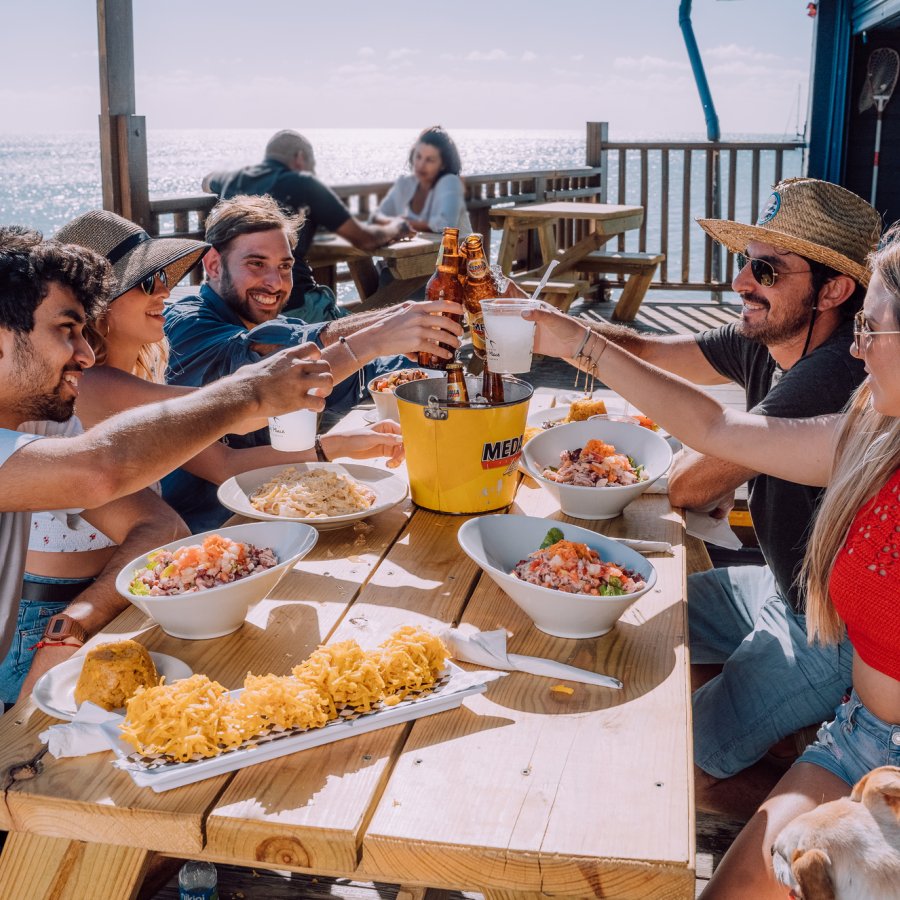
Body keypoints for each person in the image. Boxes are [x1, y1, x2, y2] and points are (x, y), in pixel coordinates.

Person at [522, 220, 900, 899]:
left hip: (854, 700)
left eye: (872, 329)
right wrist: (571, 338)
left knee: (673, 759)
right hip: (857, 733)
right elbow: (717, 429)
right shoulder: (874, 435)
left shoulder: (843, 395)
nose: (858, 348)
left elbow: (701, 467)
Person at [0, 226, 332, 693]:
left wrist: (76, 621)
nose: (83, 353)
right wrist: (250, 394)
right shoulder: (65, 417)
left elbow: (160, 524)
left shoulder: (43, 423)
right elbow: (101, 468)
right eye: (64, 330)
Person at [164, 193, 464, 531]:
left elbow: (356, 374)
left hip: (281, 514)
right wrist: (384, 330)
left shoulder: (277, 325)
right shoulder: (185, 326)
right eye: (256, 263)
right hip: (202, 530)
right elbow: (269, 361)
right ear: (214, 265)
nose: (275, 283)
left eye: (285, 266)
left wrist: (420, 366)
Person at [202, 129, 413, 322]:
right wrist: (397, 228)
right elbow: (366, 239)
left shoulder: (232, 177)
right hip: (292, 307)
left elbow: (207, 181)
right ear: (300, 158)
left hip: (229, 305)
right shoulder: (305, 183)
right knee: (371, 333)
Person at [373, 126, 472, 235]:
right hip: (422, 251)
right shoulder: (406, 184)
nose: (421, 165)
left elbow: (444, 225)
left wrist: (403, 223)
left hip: (456, 250)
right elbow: (378, 217)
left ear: (443, 164)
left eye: (430, 160)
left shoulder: (450, 183)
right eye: (418, 157)